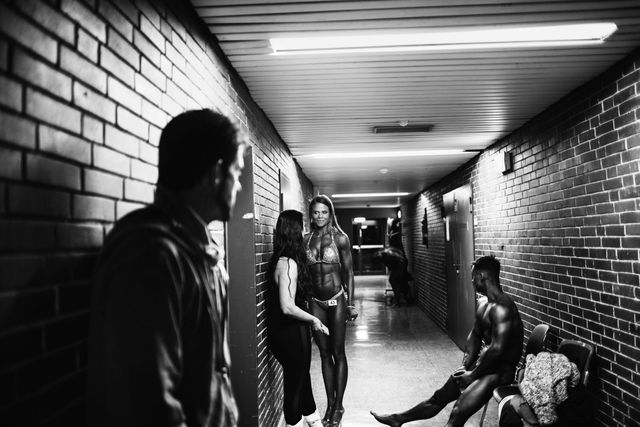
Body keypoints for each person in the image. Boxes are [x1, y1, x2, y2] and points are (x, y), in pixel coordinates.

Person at [88, 109, 247, 427]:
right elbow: (149, 405)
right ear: (216, 173)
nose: (239, 186)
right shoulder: (151, 255)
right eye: (237, 172)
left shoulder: (199, 249)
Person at [371, 255, 524, 427]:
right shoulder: (483, 304)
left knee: (457, 413)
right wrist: (466, 365)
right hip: (482, 366)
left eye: (473, 277)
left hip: (498, 373)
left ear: (482, 276)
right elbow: (475, 335)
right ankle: (398, 419)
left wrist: (473, 375)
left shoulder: (503, 308)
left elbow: (497, 349)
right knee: (438, 398)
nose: (472, 281)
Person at [267, 210, 330, 427]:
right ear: (295, 231)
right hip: (289, 333)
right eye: (301, 227)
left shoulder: (282, 259)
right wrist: (314, 319)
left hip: (287, 332)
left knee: (303, 380)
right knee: (295, 387)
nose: (304, 231)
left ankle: (314, 422)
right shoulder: (287, 263)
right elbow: (287, 307)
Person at [304, 195, 358, 426]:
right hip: (315, 302)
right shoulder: (305, 240)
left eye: (324, 212)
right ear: (311, 214)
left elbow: (349, 273)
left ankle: (339, 406)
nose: (320, 216)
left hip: (336, 298)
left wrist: (351, 303)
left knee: (338, 352)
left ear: (330, 213)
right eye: (316, 212)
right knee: (324, 354)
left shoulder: (340, 238)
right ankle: (329, 403)